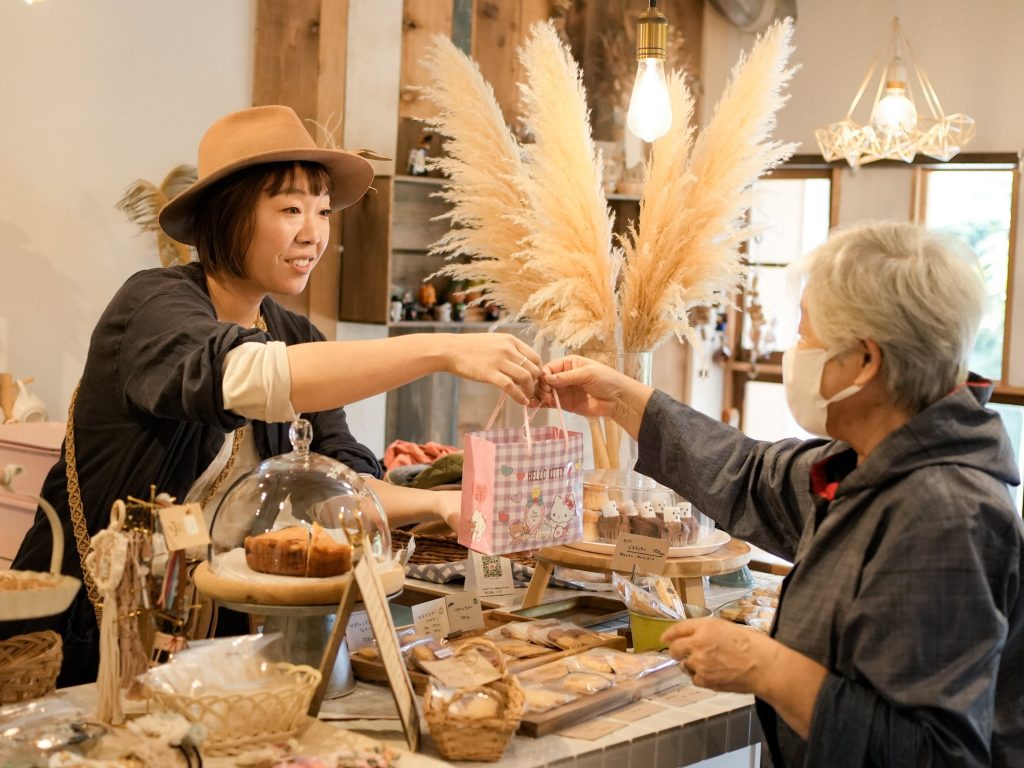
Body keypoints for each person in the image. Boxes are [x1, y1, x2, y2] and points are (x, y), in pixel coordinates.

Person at [3, 105, 542, 685]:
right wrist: (440, 351)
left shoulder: (295, 336)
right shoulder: (151, 307)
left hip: (215, 648)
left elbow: (336, 483)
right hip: (89, 635)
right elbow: (244, 376)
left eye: (322, 210)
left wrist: (440, 504)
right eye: (289, 209)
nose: (314, 233)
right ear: (225, 217)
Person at [540, 221, 1023, 767]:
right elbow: (749, 475)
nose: (791, 353)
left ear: (865, 362)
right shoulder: (863, 463)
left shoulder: (945, 516)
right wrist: (623, 399)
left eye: (805, 336)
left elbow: (932, 754)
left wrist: (764, 664)